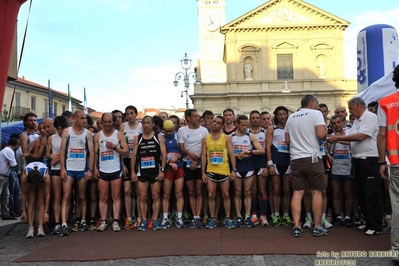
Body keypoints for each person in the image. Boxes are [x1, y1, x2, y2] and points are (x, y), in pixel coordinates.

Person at [328, 97, 383, 236]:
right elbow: (351, 139)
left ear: (358, 106)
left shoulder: (370, 117)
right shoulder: (357, 121)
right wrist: (333, 138)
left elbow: (360, 137)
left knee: (372, 192)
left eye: (351, 108)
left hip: (370, 159)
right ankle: (367, 222)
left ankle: (375, 225)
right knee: (361, 192)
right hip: (358, 160)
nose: (349, 111)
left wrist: (337, 138)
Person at [285, 95, 328, 237]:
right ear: (311, 103)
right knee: (316, 192)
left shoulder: (291, 117)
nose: (317, 106)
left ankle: (297, 226)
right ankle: (317, 226)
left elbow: (287, 140)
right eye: (316, 104)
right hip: (313, 157)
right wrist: (326, 131)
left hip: (296, 158)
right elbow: (321, 134)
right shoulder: (316, 114)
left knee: (297, 193)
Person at [59, 110, 95, 236]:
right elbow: (62, 151)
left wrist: (90, 169)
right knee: (66, 196)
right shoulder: (66, 131)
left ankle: (83, 221)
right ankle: (63, 223)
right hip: (69, 168)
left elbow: (91, 152)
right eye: (82, 118)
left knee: (82, 196)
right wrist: (62, 168)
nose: (84, 120)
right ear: (74, 119)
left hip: (82, 168)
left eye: (85, 118)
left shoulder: (88, 134)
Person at [377, 65, 399, 264]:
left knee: (397, 205)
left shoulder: (386, 102)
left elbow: (382, 135)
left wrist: (381, 161)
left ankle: (397, 250)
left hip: (396, 161)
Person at [94, 113, 129, 232]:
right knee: (103, 196)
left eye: (110, 122)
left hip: (115, 169)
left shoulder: (118, 135)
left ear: (113, 122)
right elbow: (95, 153)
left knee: (116, 196)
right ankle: (103, 221)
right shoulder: (98, 136)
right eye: (105, 122)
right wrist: (94, 168)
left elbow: (126, 152)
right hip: (102, 169)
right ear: (102, 122)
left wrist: (115, 148)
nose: (107, 124)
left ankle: (115, 221)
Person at [131, 115, 167, 231]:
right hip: (142, 172)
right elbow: (134, 156)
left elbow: (164, 155)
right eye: (144, 123)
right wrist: (132, 171)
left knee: (156, 196)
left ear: (152, 125)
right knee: (142, 197)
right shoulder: (138, 138)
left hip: (155, 171)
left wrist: (162, 170)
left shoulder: (158, 137)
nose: (146, 125)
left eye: (148, 123)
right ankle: (144, 220)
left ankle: (155, 220)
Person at [201, 116, 237, 229]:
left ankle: (227, 218)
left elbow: (231, 154)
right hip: (211, 170)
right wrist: (203, 172)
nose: (215, 124)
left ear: (222, 126)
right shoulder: (206, 139)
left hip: (224, 170)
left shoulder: (226, 138)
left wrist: (233, 170)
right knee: (211, 195)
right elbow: (203, 156)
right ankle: (212, 218)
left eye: (218, 123)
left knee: (225, 194)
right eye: (213, 122)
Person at [178, 109, 209, 228]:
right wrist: (189, 154)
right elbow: (181, 148)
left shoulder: (204, 130)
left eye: (198, 116)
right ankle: (194, 215)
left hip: (201, 163)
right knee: (191, 191)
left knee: (199, 190)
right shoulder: (182, 130)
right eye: (195, 116)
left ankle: (198, 217)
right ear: (188, 118)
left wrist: (197, 160)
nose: (197, 118)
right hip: (187, 163)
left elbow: (205, 148)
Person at [231, 114, 264, 227]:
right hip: (237, 167)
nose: (245, 127)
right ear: (237, 124)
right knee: (237, 192)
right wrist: (235, 156)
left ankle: (248, 216)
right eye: (242, 125)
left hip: (248, 166)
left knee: (248, 192)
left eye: (246, 125)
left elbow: (261, 150)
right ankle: (239, 216)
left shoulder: (250, 136)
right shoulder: (231, 137)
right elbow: (227, 154)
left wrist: (249, 152)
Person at [326, 115, 353, 227]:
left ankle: (347, 217)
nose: (336, 125)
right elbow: (326, 150)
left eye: (338, 123)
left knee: (348, 193)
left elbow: (353, 144)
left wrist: (339, 140)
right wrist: (329, 156)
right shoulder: (330, 137)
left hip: (348, 167)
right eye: (334, 123)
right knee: (336, 193)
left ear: (343, 123)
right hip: (335, 168)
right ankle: (337, 216)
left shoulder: (350, 135)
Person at [266, 106, 291, 227]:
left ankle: (286, 215)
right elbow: (267, 147)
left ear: (287, 115)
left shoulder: (291, 128)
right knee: (276, 190)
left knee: (286, 190)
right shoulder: (272, 129)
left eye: (284, 114)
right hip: (276, 162)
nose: (282, 116)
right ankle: (275, 214)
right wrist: (270, 163)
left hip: (288, 162)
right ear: (276, 116)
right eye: (280, 114)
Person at [119, 105, 142, 230]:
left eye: (131, 113)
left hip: (139, 161)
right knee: (127, 190)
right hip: (126, 161)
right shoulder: (123, 126)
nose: (129, 116)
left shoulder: (141, 127)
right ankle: (129, 217)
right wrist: (122, 165)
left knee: (138, 191)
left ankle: (139, 216)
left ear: (136, 114)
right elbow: (121, 146)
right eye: (127, 114)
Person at [46, 115, 69, 234]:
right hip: (55, 169)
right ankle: (57, 222)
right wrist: (52, 156)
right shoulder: (51, 138)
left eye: (62, 128)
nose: (60, 131)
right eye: (58, 128)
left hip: (67, 167)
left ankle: (65, 221)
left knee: (67, 197)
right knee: (57, 197)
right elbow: (47, 153)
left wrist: (59, 157)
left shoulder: (69, 135)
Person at [160, 120, 185, 229]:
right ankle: (165, 218)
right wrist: (170, 162)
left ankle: (179, 218)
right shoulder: (161, 137)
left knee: (179, 193)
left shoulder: (178, 136)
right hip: (167, 168)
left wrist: (177, 157)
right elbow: (160, 155)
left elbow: (182, 151)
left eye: (170, 131)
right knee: (166, 194)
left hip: (178, 166)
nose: (169, 133)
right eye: (166, 131)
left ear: (174, 129)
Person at [248, 110, 269, 226]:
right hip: (250, 164)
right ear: (250, 120)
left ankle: (264, 216)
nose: (255, 120)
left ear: (260, 120)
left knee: (262, 190)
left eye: (257, 118)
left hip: (261, 164)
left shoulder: (265, 133)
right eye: (253, 118)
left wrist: (266, 166)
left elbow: (267, 151)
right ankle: (254, 214)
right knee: (253, 190)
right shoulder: (246, 133)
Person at [20, 161, 51, 238]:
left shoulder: (46, 176)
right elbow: (23, 194)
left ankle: (40, 228)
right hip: (30, 179)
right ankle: (31, 229)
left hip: (41, 181)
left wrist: (46, 212)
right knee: (31, 201)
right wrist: (23, 211)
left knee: (41, 200)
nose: (35, 186)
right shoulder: (24, 176)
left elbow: (47, 195)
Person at [0, 137, 18, 220]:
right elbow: (13, 164)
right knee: (5, 196)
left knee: (6, 196)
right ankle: (5, 213)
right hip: (2, 176)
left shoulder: (4, 150)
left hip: (4, 176)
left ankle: (5, 214)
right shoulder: (9, 151)